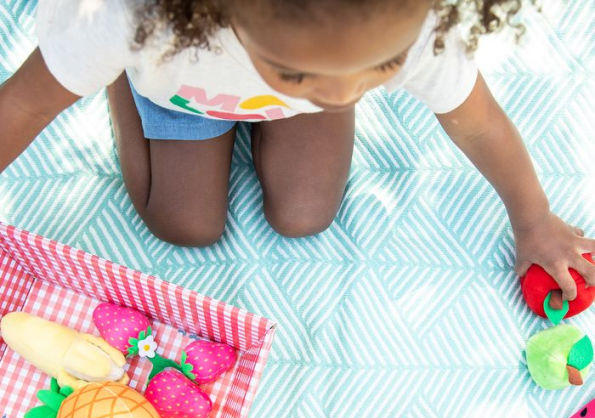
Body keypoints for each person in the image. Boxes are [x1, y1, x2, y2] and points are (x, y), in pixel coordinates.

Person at [1, 0, 593, 300]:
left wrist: (533, 219)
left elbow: (480, 124)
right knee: (183, 223)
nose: (344, 96)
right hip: (178, 93)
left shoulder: (404, 21)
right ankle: (117, 79)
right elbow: (25, 105)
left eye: (381, 65)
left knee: (306, 212)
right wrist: (100, 61)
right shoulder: (135, 18)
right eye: (298, 71)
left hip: (283, 99)